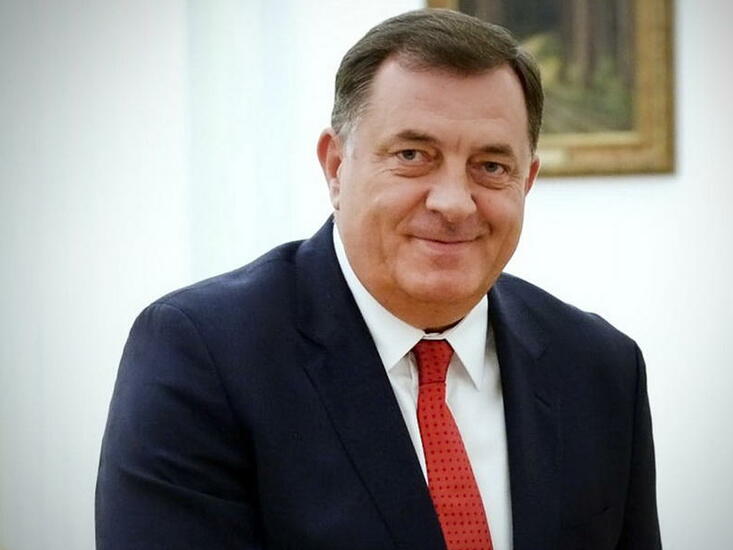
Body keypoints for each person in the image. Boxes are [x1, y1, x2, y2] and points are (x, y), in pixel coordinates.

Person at [96, 9, 661, 550]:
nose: (454, 203)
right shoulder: (203, 354)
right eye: (413, 155)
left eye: (491, 167)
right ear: (336, 167)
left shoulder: (600, 368)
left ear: (527, 180)